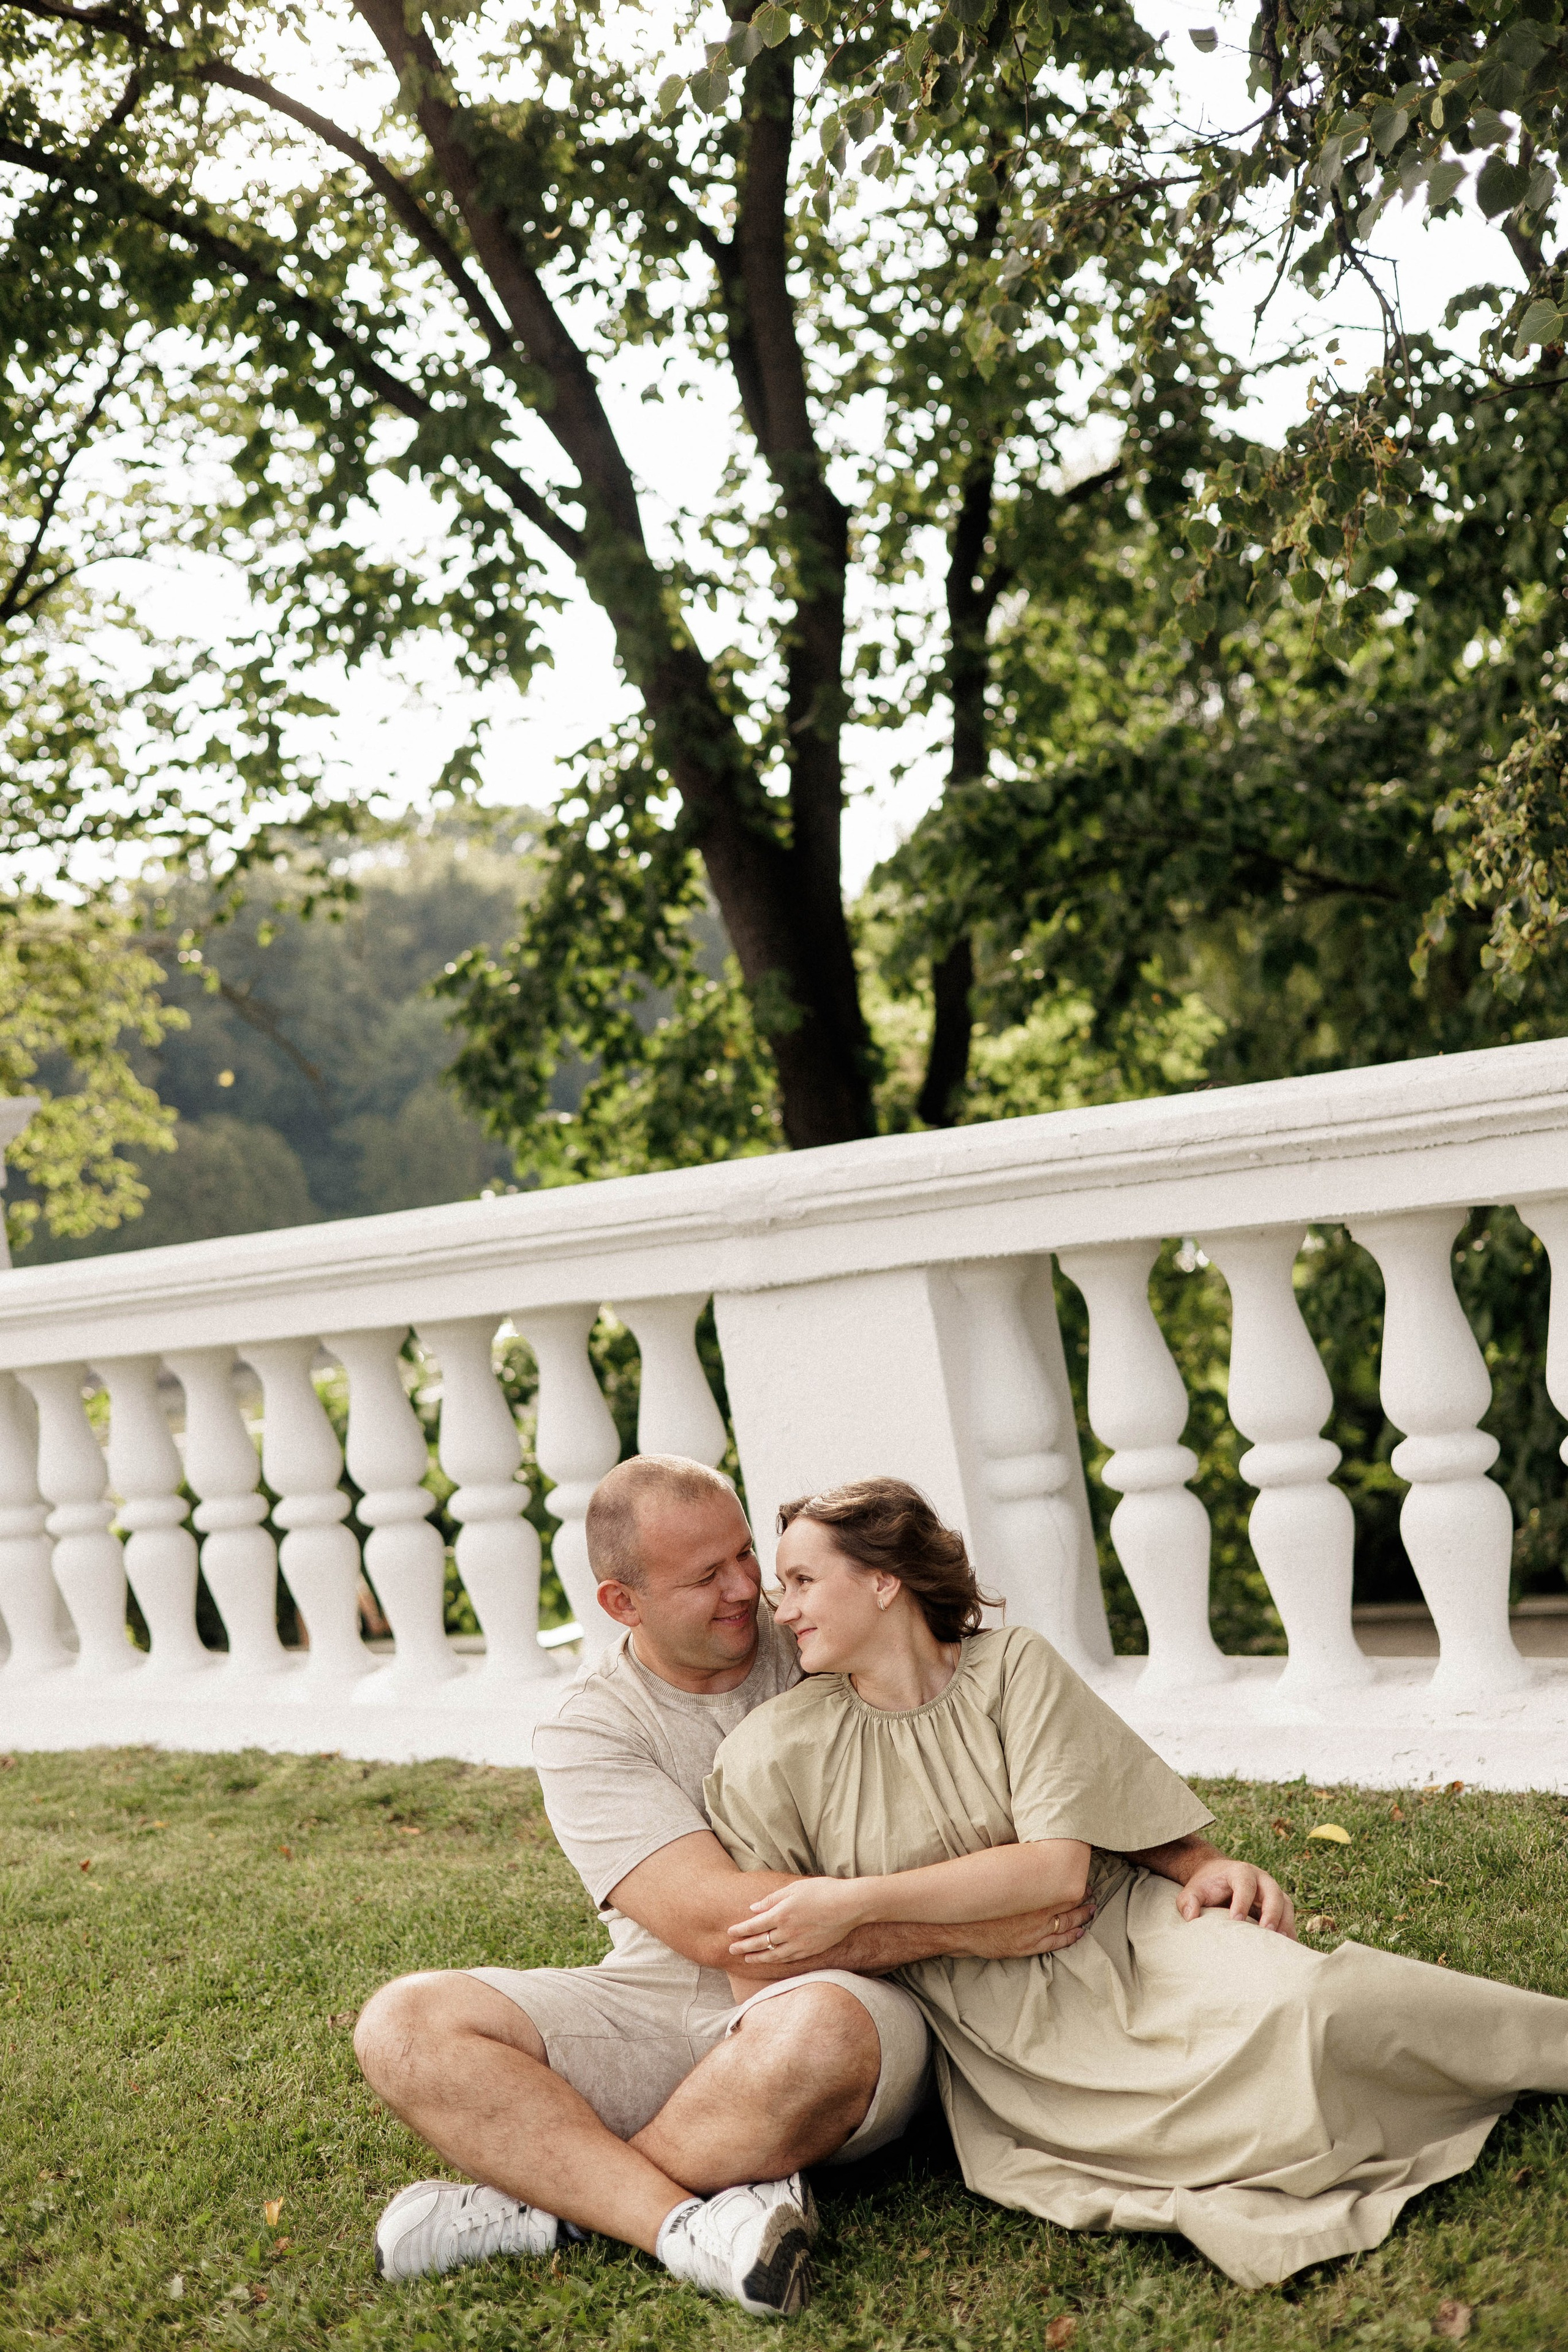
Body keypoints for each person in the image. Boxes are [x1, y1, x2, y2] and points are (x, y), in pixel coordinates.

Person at [704, 1476, 1568, 2291]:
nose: (784, 1611)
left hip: (1123, 1928)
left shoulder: (1013, 1668)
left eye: (804, 1581)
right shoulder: (769, 1754)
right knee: (1248, 2121)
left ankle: (1542, 2048)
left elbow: (1058, 1866)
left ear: (886, 1582)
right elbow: (764, 1965)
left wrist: (853, 1900)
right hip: (1007, 2021)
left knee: (1310, 2004)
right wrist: (938, 1932)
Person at [353, 1455, 1105, 2318]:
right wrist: (965, 1929)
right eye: (706, 1575)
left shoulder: (823, 1633)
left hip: (857, 1997)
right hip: (664, 2006)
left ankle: (557, 2201)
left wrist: (1193, 1861)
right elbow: (725, 1932)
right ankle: (687, 2218)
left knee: (815, 2031)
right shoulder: (589, 1728)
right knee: (405, 2025)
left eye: (745, 1554)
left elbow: (1008, 1730)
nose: (750, 1588)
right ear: (621, 1604)